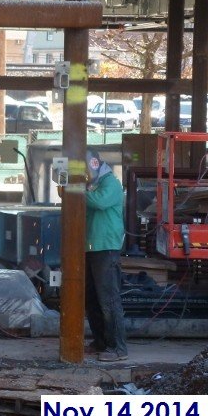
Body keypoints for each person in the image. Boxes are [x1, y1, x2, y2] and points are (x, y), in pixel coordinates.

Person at [84, 149, 128, 362]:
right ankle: (101, 341)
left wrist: (74, 189)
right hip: (91, 248)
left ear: (93, 163)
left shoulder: (110, 183)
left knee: (108, 300)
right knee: (92, 299)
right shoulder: (93, 186)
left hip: (106, 249)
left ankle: (118, 348)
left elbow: (99, 203)